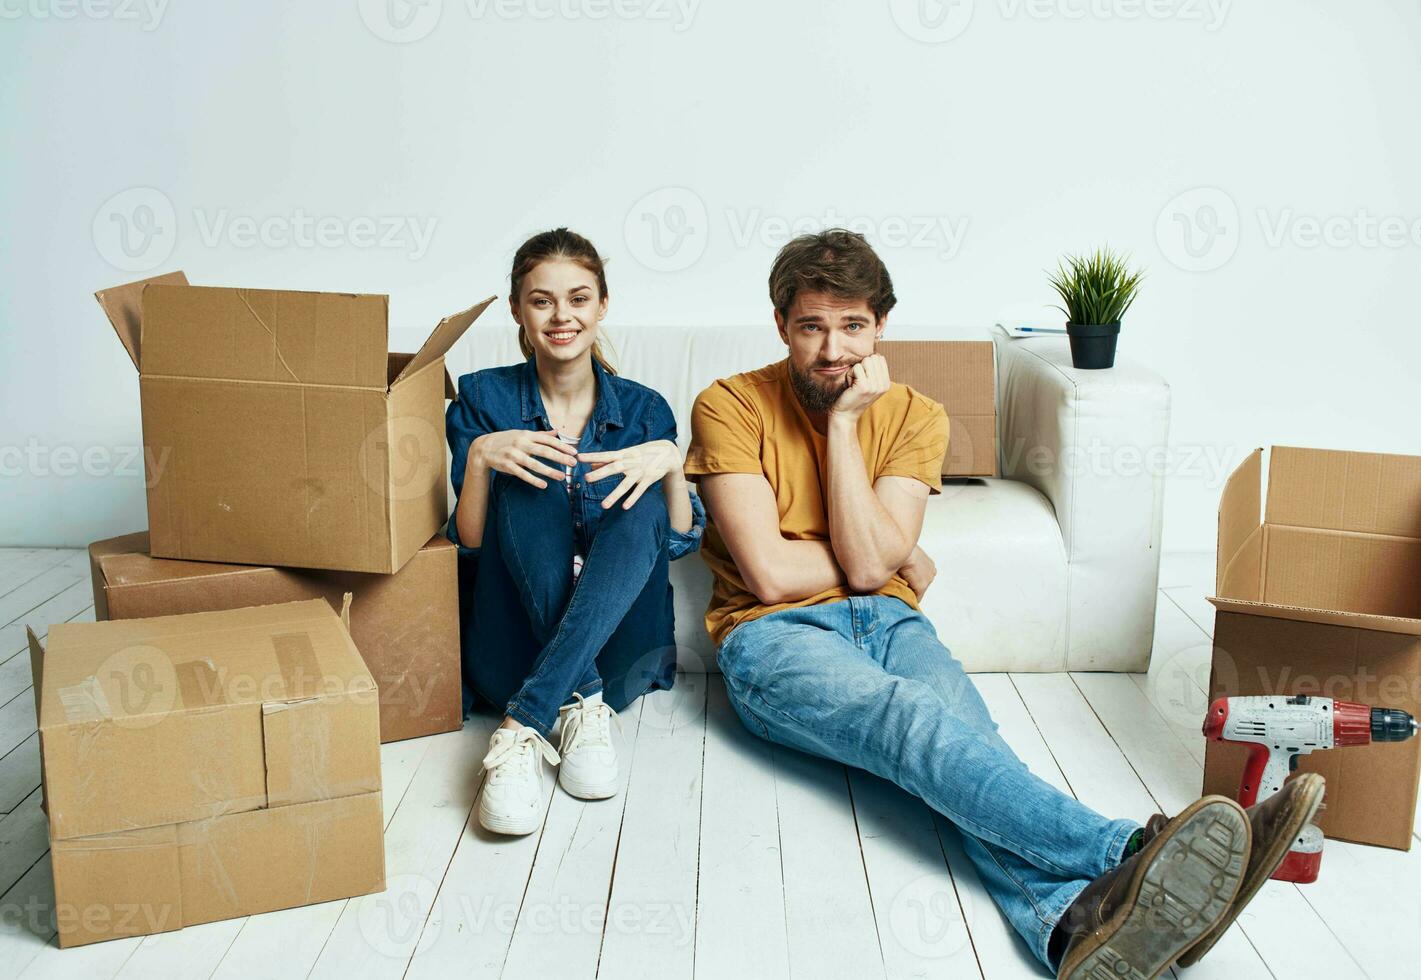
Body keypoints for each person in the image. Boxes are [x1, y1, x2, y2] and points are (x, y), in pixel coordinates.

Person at [683, 229, 1324, 979]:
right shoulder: (728, 404)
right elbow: (774, 571)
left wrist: (865, 496)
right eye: (810, 326)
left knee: (967, 744)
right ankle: (1135, 847)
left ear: (881, 325)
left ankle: (1068, 930)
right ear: (780, 324)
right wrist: (884, 526)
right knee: (911, 721)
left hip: (887, 620)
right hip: (772, 636)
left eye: (852, 325)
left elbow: (866, 570)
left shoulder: (916, 414)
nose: (832, 350)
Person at [446, 228, 705, 836]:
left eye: (579, 298)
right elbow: (471, 543)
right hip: (511, 648)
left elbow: (673, 540)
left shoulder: (644, 410)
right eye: (542, 300)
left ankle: (525, 725)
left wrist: (670, 464)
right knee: (526, 477)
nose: (562, 316)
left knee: (641, 493)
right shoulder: (483, 398)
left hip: (622, 649)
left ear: (602, 305)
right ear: (518, 309)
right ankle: (574, 703)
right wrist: (482, 456)